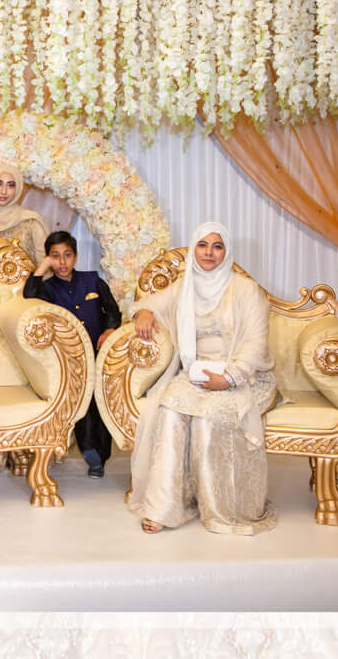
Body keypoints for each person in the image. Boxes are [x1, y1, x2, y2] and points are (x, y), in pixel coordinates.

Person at [126, 223, 278, 535]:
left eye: (217, 246)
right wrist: (143, 314)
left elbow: (255, 342)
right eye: (202, 245)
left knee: (209, 418)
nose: (209, 253)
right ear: (194, 249)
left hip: (243, 376)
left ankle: (221, 508)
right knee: (169, 410)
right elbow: (147, 304)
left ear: (227, 251)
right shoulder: (185, 286)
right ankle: (165, 506)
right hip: (196, 373)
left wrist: (231, 377)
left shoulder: (246, 290)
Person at [24, 229, 122, 477]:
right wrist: (41, 267)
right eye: (55, 256)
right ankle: (90, 452)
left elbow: (112, 309)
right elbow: (28, 297)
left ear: (76, 257)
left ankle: (101, 455)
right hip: (70, 361)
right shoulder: (45, 288)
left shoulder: (92, 281)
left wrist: (110, 329)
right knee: (83, 407)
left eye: (67, 255)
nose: (62, 261)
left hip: (99, 353)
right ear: (48, 259)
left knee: (101, 405)